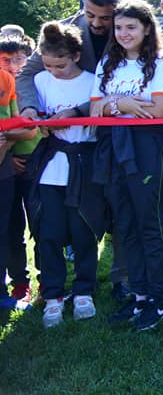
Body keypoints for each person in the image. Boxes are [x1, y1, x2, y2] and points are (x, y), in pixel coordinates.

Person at [17, 0, 130, 302]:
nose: (97, 23)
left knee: (117, 208)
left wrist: (79, 110)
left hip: (116, 131)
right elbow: (28, 74)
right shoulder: (63, 31)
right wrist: (29, 107)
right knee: (57, 219)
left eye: (105, 18)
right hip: (70, 144)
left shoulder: (129, 29)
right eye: (90, 15)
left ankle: (121, 279)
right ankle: (52, 286)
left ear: (117, 10)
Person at [90, 0, 163, 331]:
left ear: (146, 29)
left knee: (149, 222)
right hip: (111, 147)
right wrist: (121, 103)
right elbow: (95, 110)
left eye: (131, 27)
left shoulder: (162, 63)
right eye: (119, 27)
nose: (123, 34)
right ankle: (138, 294)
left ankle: (158, 296)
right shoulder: (107, 62)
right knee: (125, 223)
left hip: (144, 149)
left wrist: (112, 103)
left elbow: (156, 111)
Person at [29, 22, 103, 328]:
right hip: (52, 165)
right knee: (49, 232)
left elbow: (99, 119)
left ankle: (84, 289)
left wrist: (76, 116)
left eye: (59, 65)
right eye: (48, 65)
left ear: (75, 55)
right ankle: (54, 294)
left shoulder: (92, 80)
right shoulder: (39, 80)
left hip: (84, 163)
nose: (54, 71)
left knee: (83, 229)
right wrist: (41, 122)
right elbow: (34, 112)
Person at [0, 34, 41, 306]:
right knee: (12, 228)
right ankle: (19, 283)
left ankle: (48, 281)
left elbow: (29, 128)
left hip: (38, 161)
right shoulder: (5, 83)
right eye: (6, 60)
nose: (14, 64)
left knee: (41, 225)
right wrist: (9, 155)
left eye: (19, 58)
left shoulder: (33, 81)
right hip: (9, 166)